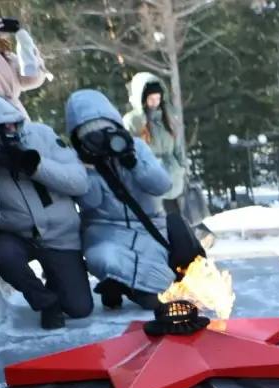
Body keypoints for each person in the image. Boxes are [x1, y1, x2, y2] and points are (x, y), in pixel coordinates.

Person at [0, 90, 90, 329]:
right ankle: (45, 302)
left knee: (80, 308)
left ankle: (58, 282)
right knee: (1, 252)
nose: (10, 132)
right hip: (15, 236)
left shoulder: (41, 135)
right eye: (1, 128)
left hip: (60, 235)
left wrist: (35, 165)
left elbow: (79, 182)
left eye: (13, 124)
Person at [65, 89, 174, 310]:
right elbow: (90, 203)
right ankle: (122, 285)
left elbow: (162, 185)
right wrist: (91, 169)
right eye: (93, 138)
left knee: (160, 277)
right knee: (103, 257)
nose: (104, 143)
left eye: (109, 132)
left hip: (149, 227)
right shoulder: (77, 161)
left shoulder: (137, 147)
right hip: (104, 230)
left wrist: (133, 163)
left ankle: (123, 285)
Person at [121, 72, 187, 217]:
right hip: (149, 179)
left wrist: (183, 168)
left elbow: (178, 147)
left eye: (158, 98)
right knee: (157, 223)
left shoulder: (169, 117)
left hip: (173, 179)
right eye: (151, 98)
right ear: (143, 98)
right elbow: (129, 151)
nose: (155, 102)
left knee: (176, 223)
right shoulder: (132, 121)